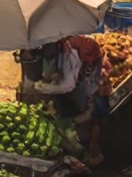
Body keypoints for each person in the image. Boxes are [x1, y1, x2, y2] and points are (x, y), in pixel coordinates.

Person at [32, 33, 105, 167]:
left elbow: (73, 84)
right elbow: (64, 80)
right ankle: (78, 144)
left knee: (82, 116)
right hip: (72, 91)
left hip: (78, 93)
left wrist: (50, 88)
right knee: (73, 116)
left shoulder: (89, 54)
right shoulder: (66, 48)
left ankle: (84, 147)